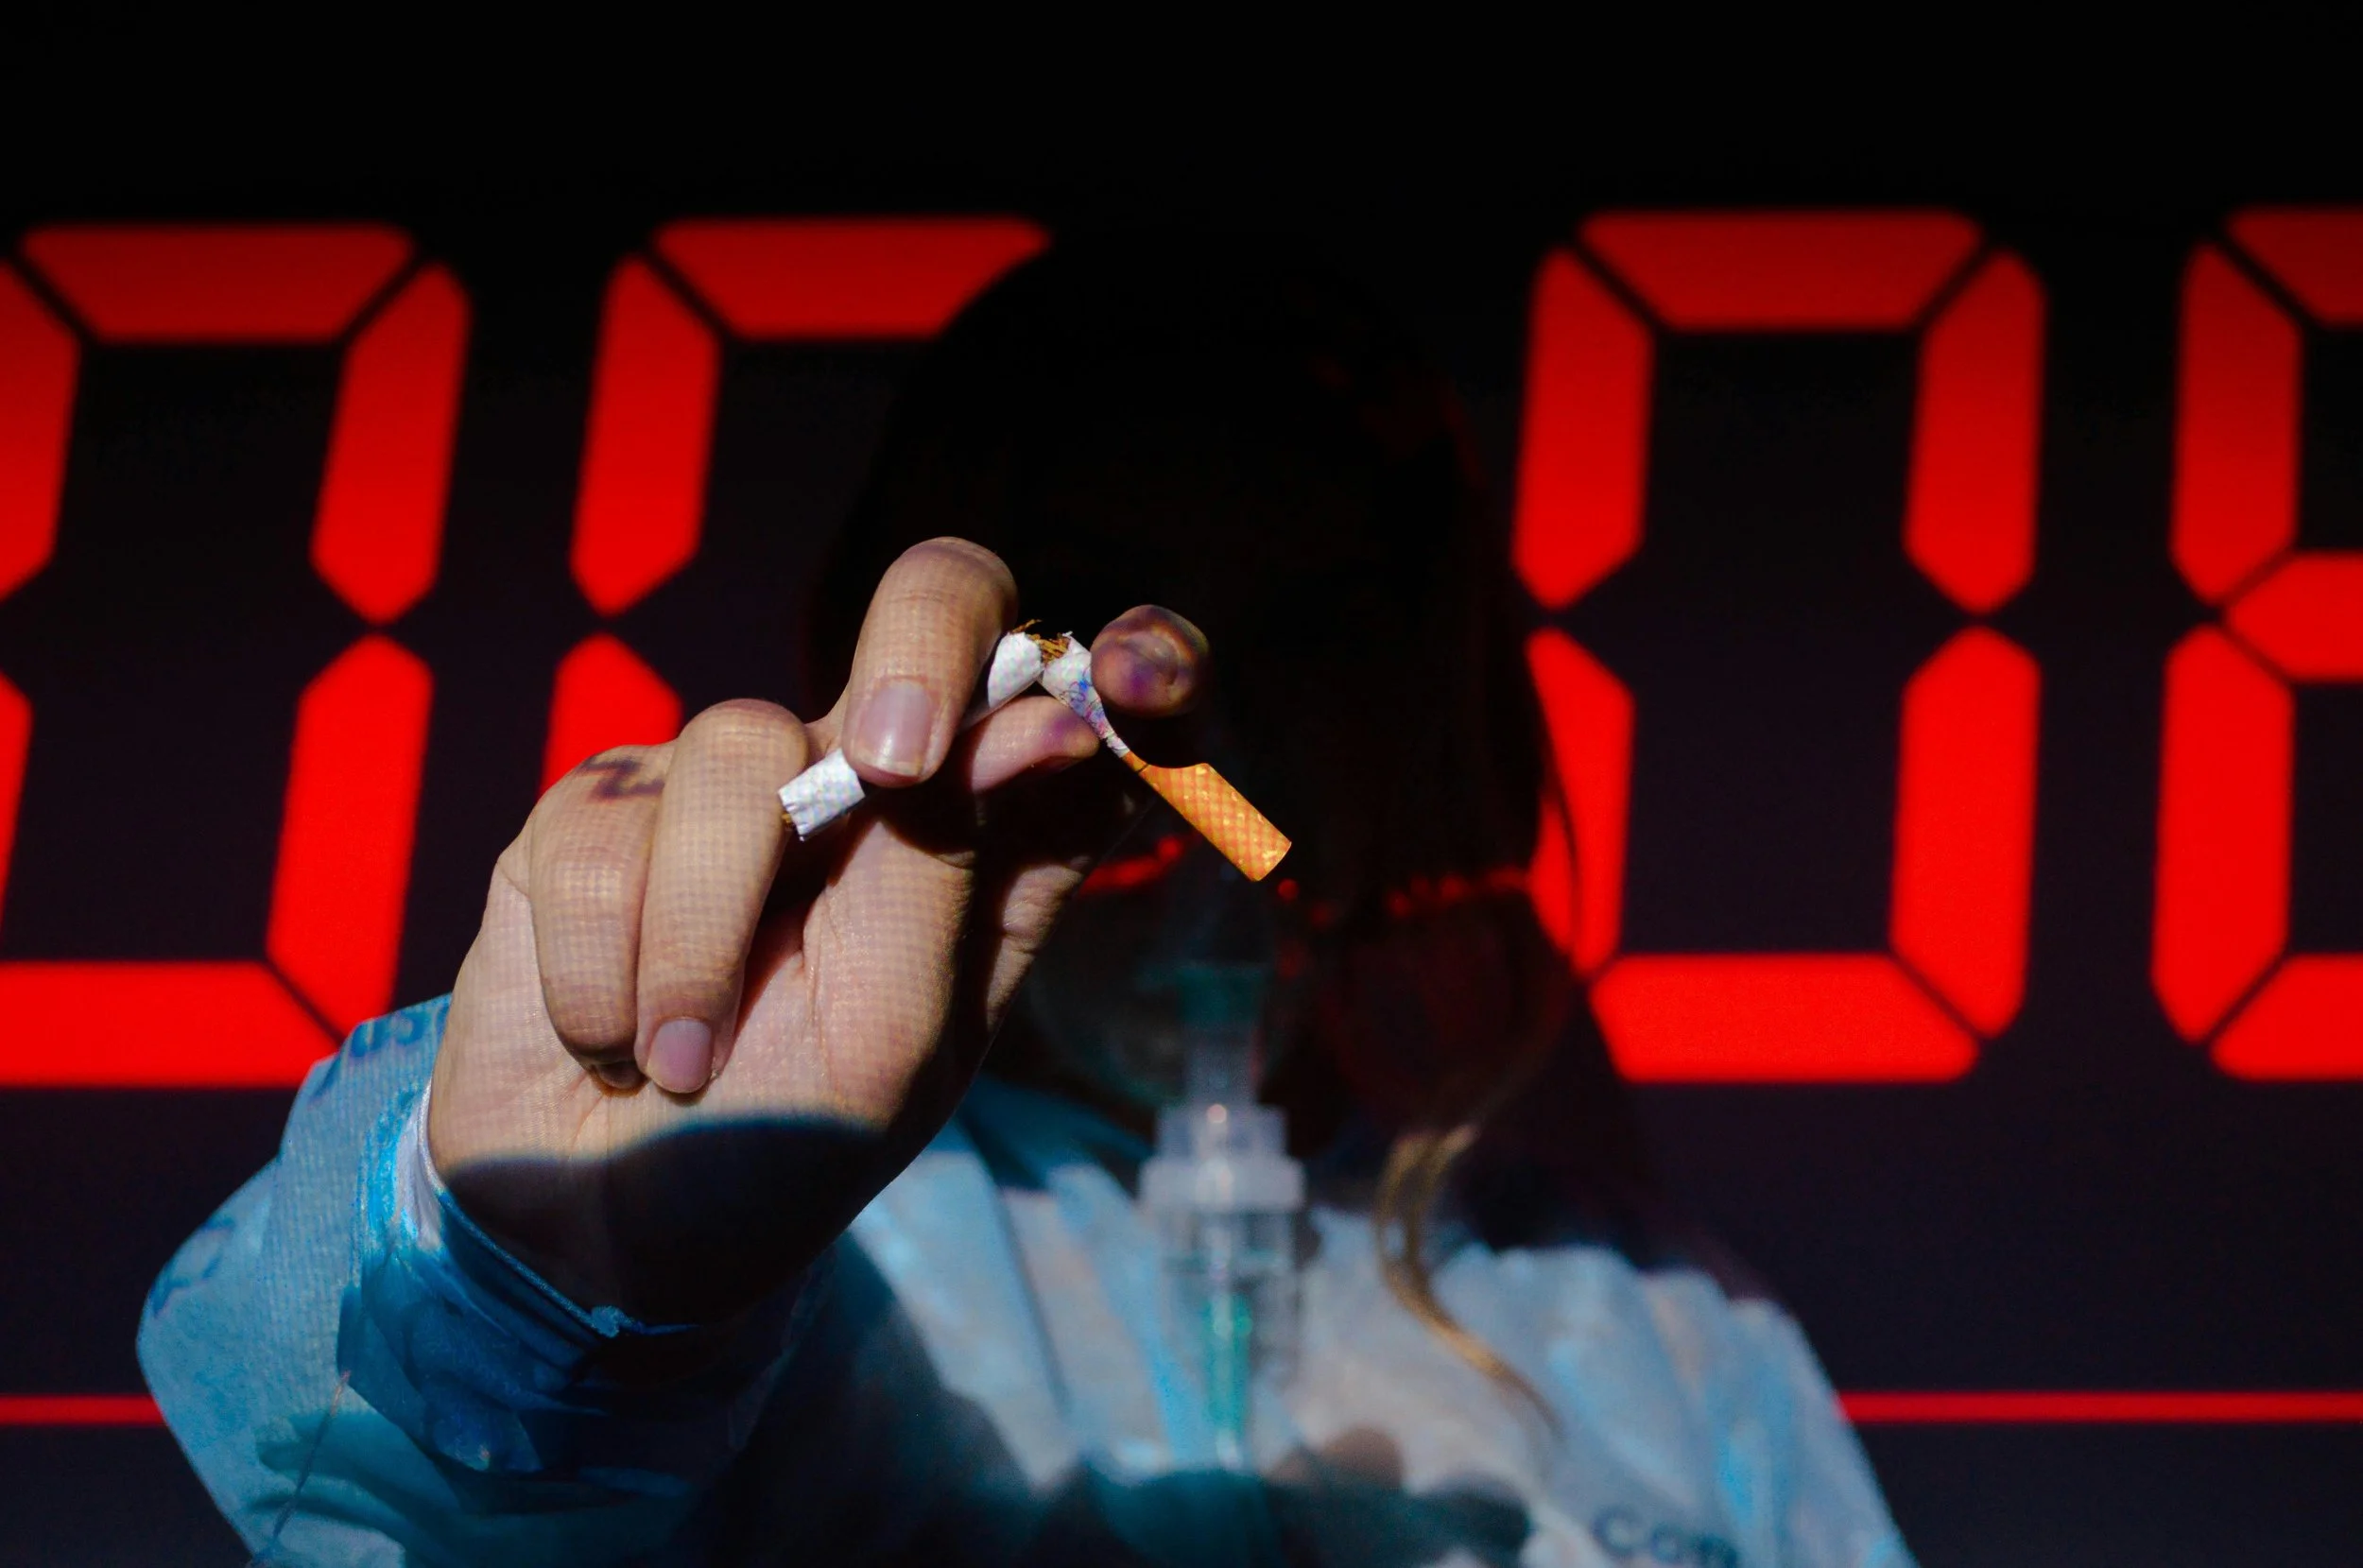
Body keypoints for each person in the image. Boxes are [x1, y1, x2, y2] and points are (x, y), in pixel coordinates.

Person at [140, 238, 1914, 1566]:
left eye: (1322, 632)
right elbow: (362, 1495)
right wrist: (544, 1276)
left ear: (1431, 709)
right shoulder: (805, 1259)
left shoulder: (1670, 1338)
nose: (1213, 737)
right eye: (1097, 597)